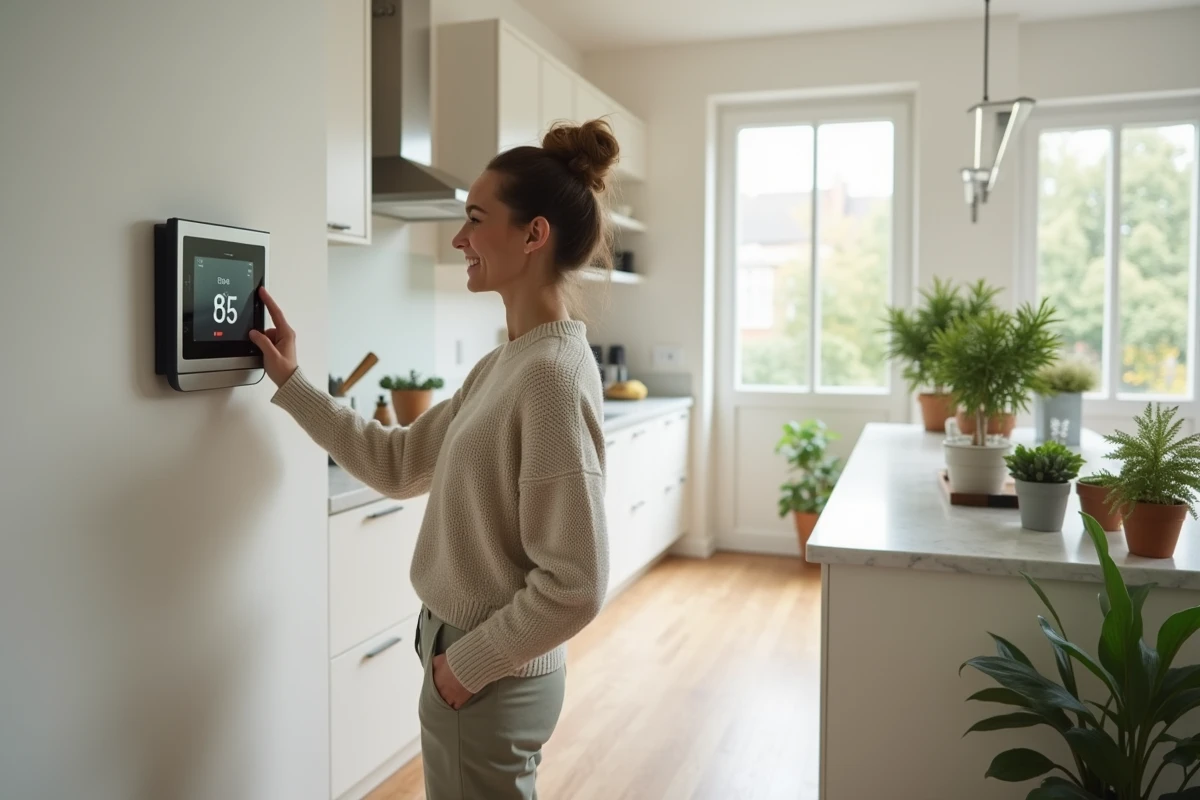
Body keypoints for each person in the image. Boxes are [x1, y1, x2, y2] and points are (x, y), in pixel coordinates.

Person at [250, 119, 619, 799]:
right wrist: (293, 384)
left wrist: (468, 664)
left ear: (534, 235)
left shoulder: (550, 376)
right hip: (470, 666)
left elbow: (577, 581)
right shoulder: (508, 363)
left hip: (487, 675)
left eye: (476, 220)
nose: (459, 239)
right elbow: (397, 463)